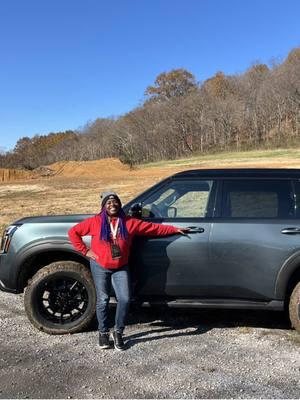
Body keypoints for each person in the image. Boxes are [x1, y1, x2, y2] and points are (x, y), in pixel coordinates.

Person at [68, 191, 190, 351]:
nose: (112, 205)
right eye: (109, 203)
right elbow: (73, 233)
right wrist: (86, 251)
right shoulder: (95, 222)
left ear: (119, 204)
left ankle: (118, 332)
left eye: (115, 202)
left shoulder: (129, 222)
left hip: (121, 267)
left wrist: (174, 229)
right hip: (100, 266)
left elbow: (153, 228)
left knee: (125, 299)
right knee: (103, 300)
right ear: (104, 206)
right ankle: (103, 332)